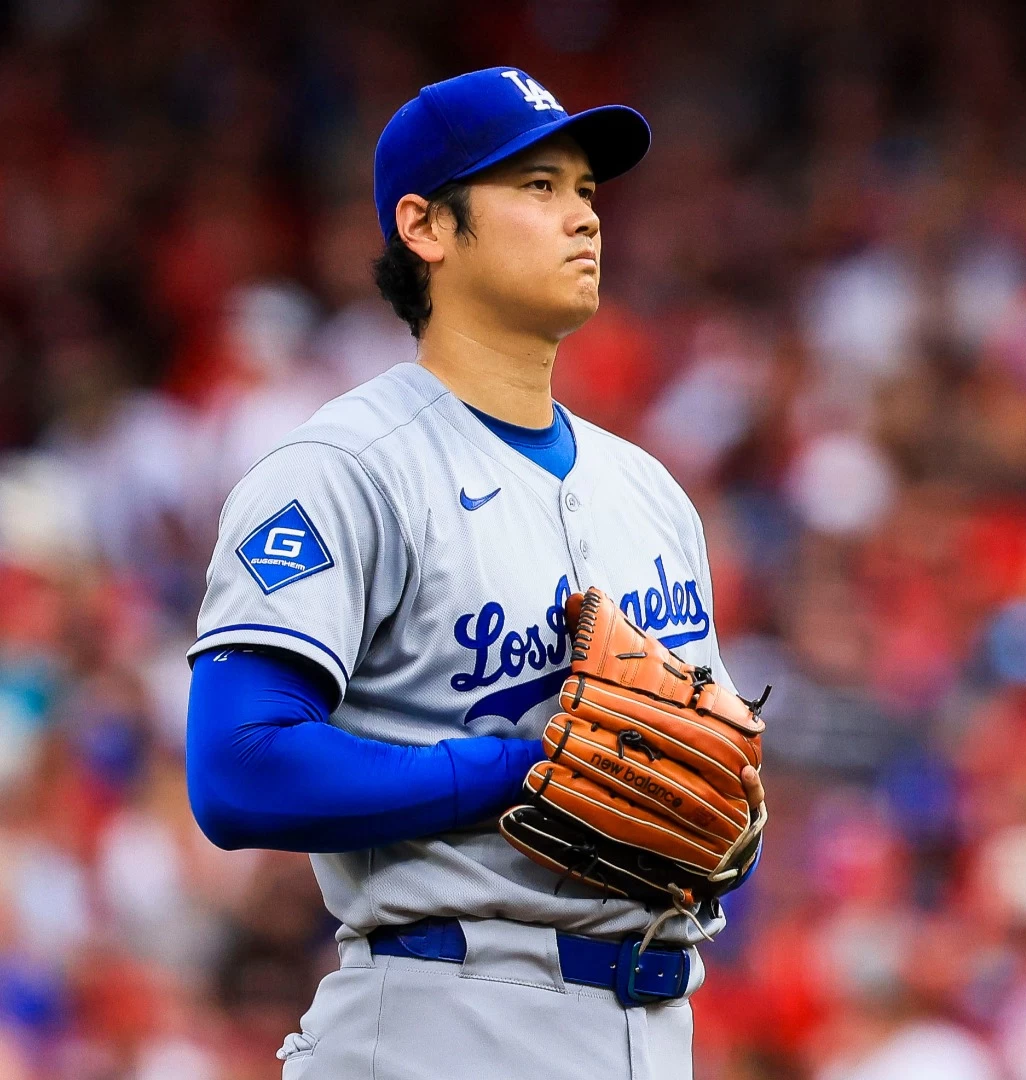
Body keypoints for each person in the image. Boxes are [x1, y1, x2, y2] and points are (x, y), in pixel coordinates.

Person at [182, 67, 754, 1079]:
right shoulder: (345, 470)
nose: (584, 216)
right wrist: (513, 771)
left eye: (586, 189)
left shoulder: (650, 492)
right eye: (537, 186)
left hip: (657, 1026)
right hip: (442, 1017)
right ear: (426, 226)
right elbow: (239, 767)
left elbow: (709, 782)